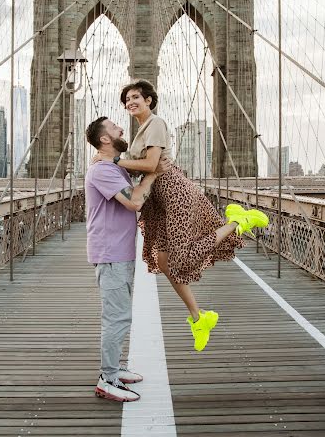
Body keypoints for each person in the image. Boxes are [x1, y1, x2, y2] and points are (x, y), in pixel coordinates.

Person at [93, 80, 269, 352]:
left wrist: (113, 161)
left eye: (136, 96)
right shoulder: (140, 133)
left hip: (175, 192)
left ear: (149, 100)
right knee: (164, 262)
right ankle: (199, 319)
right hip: (158, 201)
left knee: (181, 257)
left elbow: (152, 165)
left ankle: (237, 222)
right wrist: (110, 162)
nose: (130, 102)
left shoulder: (156, 124)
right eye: (127, 99)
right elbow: (142, 168)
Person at [85, 116, 171, 402]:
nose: (122, 128)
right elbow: (134, 202)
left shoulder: (113, 167)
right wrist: (153, 173)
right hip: (111, 254)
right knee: (116, 318)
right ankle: (106, 379)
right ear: (105, 139)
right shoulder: (102, 170)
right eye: (115, 127)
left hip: (120, 252)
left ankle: (114, 368)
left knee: (121, 316)